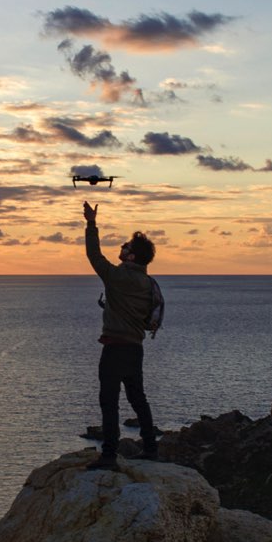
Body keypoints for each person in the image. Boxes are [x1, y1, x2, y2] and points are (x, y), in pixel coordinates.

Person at [82, 200, 158, 471]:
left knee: (109, 401)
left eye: (125, 246)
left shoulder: (118, 277)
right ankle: (150, 448)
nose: (122, 248)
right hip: (135, 348)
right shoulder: (148, 283)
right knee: (138, 398)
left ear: (131, 257)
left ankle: (109, 456)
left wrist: (91, 224)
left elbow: (94, 256)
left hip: (115, 348)